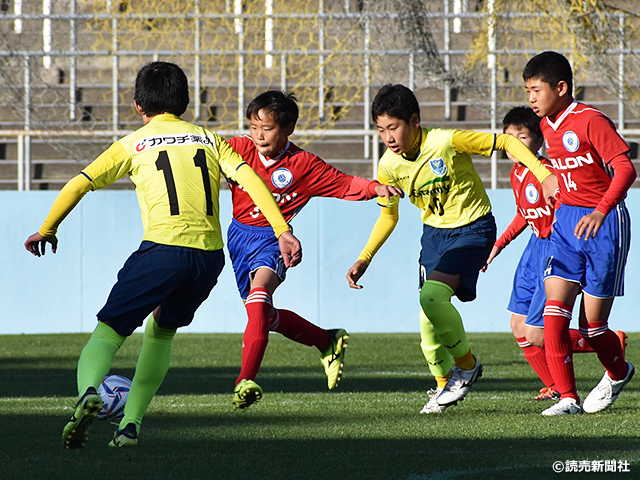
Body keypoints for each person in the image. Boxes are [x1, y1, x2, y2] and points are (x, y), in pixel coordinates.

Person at [24, 62, 302, 448]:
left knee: (108, 332)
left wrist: (48, 227)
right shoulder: (208, 138)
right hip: (207, 258)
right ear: (185, 102)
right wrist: (282, 230)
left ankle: (90, 391)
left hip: (162, 250)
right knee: (160, 333)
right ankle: (131, 424)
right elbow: (251, 179)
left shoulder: (134, 143)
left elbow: (80, 183)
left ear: (139, 106)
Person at [346, 84, 558, 414]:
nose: (387, 136)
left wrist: (543, 174)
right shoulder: (389, 166)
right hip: (434, 236)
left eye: (393, 127)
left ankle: (468, 366)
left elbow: (506, 141)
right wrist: (364, 258)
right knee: (427, 325)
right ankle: (445, 385)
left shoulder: (445, 141)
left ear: (414, 121)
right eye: (381, 129)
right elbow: (389, 216)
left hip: (473, 228)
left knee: (431, 296)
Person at [226, 90, 403, 409]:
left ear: (288, 128)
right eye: (254, 127)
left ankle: (245, 381)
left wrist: (376, 187)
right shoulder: (237, 149)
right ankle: (326, 340)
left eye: (267, 128)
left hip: (273, 240)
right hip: (238, 238)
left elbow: (345, 183)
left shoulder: (302, 165)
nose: (259, 135)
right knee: (263, 316)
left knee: (259, 299)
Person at [483, 106, 628, 402]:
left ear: (538, 141)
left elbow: (567, 203)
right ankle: (554, 386)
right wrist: (499, 245)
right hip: (533, 248)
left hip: (554, 243)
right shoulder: (516, 174)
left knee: (540, 331)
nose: (515, 145)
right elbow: (525, 214)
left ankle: (599, 354)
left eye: (522, 137)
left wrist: (597, 214)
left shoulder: (547, 170)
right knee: (518, 326)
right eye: (509, 138)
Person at [523, 51, 636, 415]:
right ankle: (568, 397)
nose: (531, 98)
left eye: (536, 90)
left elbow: (625, 169)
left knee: (593, 328)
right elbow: (559, 169)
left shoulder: (590, 121)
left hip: (605, 224)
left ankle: (618, 372)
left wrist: (601, 210)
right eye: (527, 91)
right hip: (566, 225)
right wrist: (552, 179)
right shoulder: (545, 127)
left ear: (561, 87)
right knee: (554, 313)